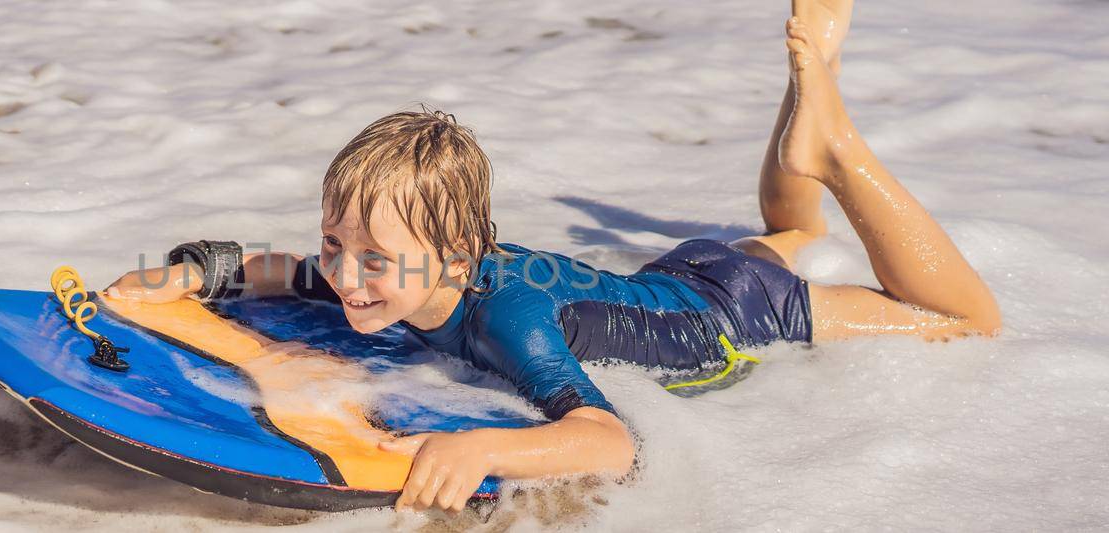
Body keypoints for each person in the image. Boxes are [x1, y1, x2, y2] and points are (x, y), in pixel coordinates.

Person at [105, 0, 999, 513]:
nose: (341, 274)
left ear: (455, 255)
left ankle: (840, 150)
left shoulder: (506, 317)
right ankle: (810, 124)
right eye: (338, 242)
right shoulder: (396, 279)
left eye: (371, 257)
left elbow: (609, 442)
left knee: (964, 321)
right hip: (678, 274)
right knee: (787, 222)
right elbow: (277, 268)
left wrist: (491, 445)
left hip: (733, 314)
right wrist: (193, 269)